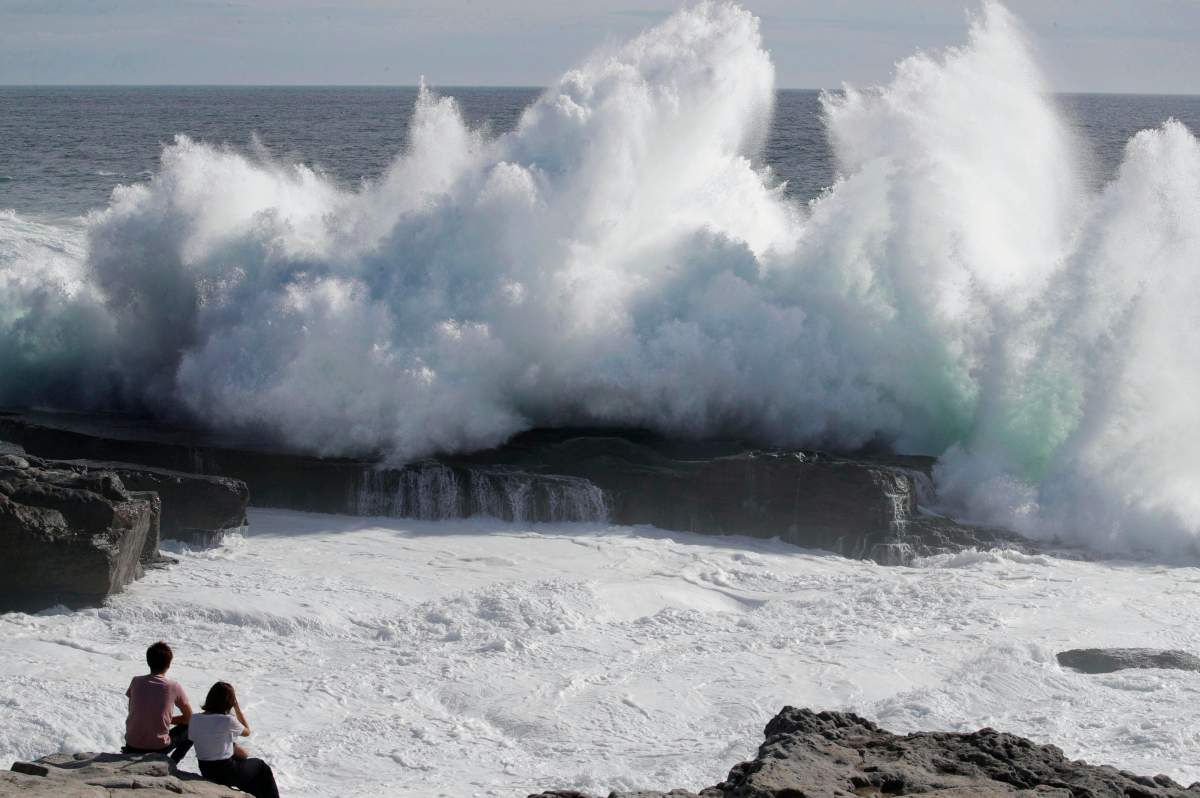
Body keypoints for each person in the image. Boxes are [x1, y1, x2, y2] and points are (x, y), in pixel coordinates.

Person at [189, 681, 280, 798]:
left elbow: (197, 739)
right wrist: (237, 708)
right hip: (226, 772)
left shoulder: (194, 719)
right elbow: (247, 731)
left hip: (206, 770)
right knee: (261, 767)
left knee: (248, 776)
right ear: (229, 702)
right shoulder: (227, 720)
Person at [122, 641, 193, 764]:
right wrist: (168, 720)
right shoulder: (173, 686)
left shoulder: (136, 681)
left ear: (148, 661)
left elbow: (133, 711)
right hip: (158, 748)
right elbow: (190, 718)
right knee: (193, 727)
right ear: (169, 664)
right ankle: (171, 764)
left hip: (131, 746)